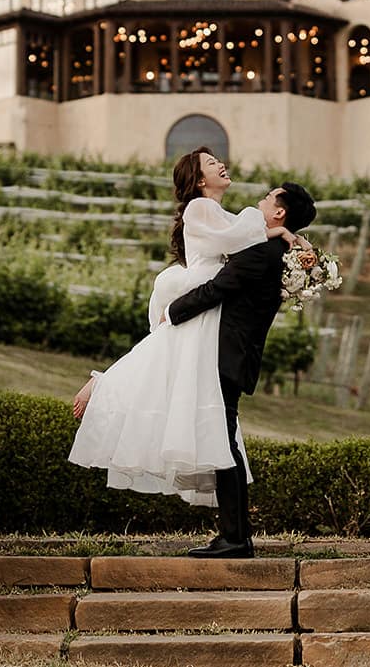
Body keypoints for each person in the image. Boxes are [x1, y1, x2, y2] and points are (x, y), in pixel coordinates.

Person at [67, 148, 307, 506]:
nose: (221, 165)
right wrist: (277, 231)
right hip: (201, 294)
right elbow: (235, 241)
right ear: (197, 181)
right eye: (211, 164)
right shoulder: (200, 207)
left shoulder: (217, 212)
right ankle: (100, 385)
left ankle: (103, 383)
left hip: (210, 305)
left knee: (171, 372)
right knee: (162, 360)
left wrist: (276, 234)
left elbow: (239, 240)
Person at [168, 180, 316, 558]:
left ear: (280, 211)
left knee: (224, 443)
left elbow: (218, 287)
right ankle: (234, 536)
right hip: (235, 355)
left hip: (228, 356)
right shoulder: (272, 248)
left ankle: (235, 538)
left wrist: (172, 311)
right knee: (224, 440)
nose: (261, 199)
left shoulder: (262, 253)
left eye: (268, 198)